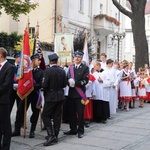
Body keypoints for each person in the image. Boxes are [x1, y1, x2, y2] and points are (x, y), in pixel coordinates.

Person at [11, 53, 44, 138]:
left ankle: (32, 130)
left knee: (35, 112)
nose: (39, 62)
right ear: (33, 60)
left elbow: (41, 84)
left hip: (35, 94)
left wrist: (32, 86)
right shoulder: (26, 70)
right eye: (38, 60)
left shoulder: (41, 72)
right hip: (26, 94)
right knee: (20, 111)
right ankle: (17, 130)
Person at [42, 53, 67, 146]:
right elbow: (64, 84)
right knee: (57, 116)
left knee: (45, 115)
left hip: (51, 95)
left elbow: (44, 85)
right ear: (57, 61)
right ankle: (55, 135)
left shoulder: (47, 71)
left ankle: (51, 135)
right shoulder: (62, 71)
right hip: (60, 95)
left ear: (50, 61)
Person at [64, 51, 89, 138]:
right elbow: (67, 78)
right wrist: (68, 82)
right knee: (71, 113)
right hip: (71, 94)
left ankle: (81, 130)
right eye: (75, 57)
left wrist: (76, 83)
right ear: (73, 58)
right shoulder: (70, 68)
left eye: (79, 57)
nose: (77, 59)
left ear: (81, 58)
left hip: (79, 95)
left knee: (80, 113)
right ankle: (73, 129)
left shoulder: (85, 68)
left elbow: (86, 80)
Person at [0, 47, 15, 150]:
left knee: (5, 126)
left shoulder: (10, 67)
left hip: (3, 100)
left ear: (1, 55)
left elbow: (6, 85)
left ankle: (6, 147)